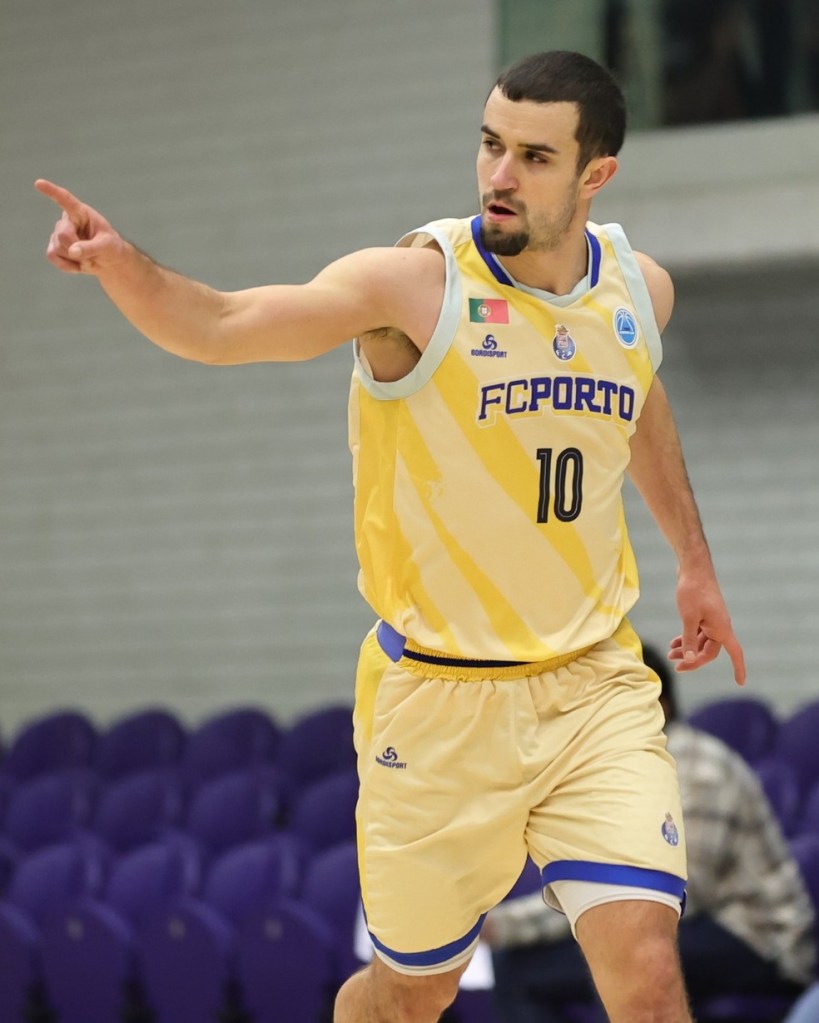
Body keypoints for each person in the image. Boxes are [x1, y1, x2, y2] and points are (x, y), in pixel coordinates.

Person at [37, 49, 747, 1023]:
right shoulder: (415, 286)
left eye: (535, 157)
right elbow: (228, 322)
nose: (500, 175)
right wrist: (125, 267)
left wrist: (696, 565)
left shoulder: (638, 291)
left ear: (597, 174)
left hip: (593, 685)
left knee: (650, 976)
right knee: (411, 995)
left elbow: (639, 401)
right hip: (438, 701)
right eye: (491, 145)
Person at [484, 644, 816, 1023]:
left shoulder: (698, 771)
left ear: (657, 703)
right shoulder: (621, 771)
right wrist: (503, 925)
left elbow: (677, 893)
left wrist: (518, 925)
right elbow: (591, 878)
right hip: (687, 921)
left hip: (756, 938)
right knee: (518, 965)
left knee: (610, 962)